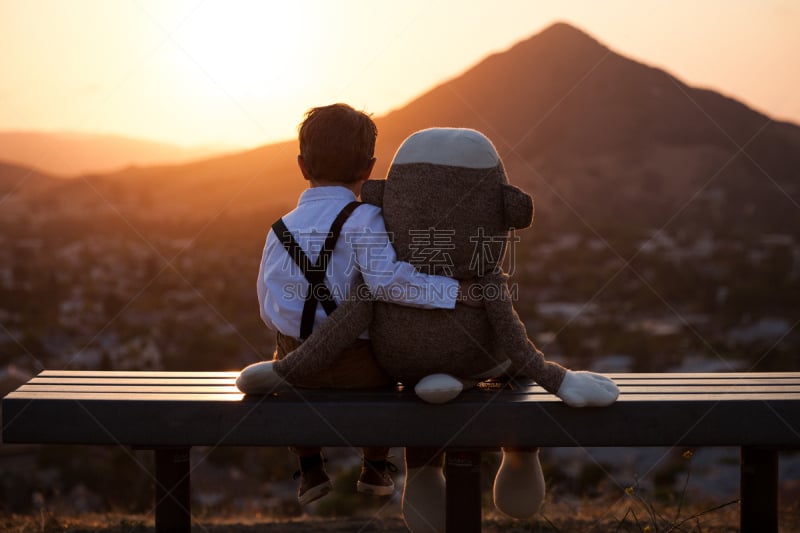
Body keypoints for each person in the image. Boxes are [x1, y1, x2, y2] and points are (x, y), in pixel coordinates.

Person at [256, 103, 474, 506]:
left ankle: (310, 469)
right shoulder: (365, 218)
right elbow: (389, 282)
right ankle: (374, 466)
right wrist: (451, 291)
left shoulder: (278, 229)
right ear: (369, 168)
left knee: (280, 348)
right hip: (359, 365)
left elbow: (267, 302)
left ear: (302, 165)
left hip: (297, 367)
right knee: (396, 360)